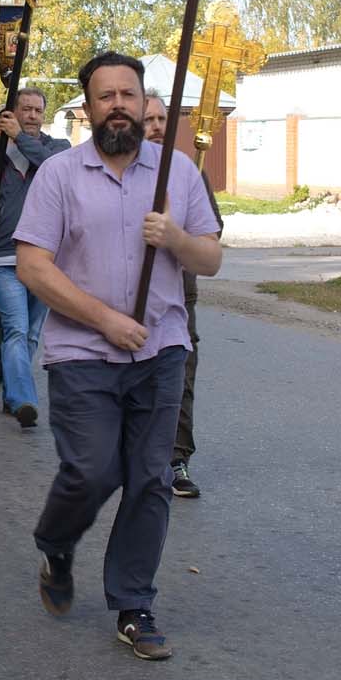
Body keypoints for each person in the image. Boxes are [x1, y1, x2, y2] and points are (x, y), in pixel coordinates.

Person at [15, 51, 221, 662]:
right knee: (92, 470)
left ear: (143, 101)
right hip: (82, 352)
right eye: (106, 97)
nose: (119, 106)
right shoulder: (59, 175)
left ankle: (134, 604)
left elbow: (208, 258)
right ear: (87, 107)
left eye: (128, 95)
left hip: (161, 352)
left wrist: (176, 238)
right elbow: (32, 264)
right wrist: (105, 319)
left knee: (150, 480)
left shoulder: (177, 173)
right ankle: (56, 541)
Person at [0, 90, 69, 428]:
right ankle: (24, 398)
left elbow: (49, 168)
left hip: (47, 259)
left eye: (39, 110)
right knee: (16, 329)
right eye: (26, 109)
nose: (34, 115)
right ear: (12, 114)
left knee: (32, 333)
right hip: (3, 257)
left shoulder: (59, 150)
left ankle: (13, 393)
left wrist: (20, 138)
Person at [141, 92, 222, 499]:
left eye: (161, 119)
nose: (156, 127)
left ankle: (176, 456)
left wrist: (180, 235)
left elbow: (212, 235)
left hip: (178, 290)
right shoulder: (118, 169)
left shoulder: (189, 172)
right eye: (148, 120)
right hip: (124, 294)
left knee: (181, 374)